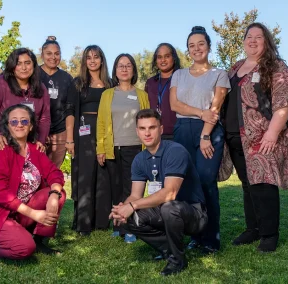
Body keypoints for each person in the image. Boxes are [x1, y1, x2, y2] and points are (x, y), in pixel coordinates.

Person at [221, 22, 288, 252]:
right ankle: (253, 228)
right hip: (236, 137)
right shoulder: (235, 68)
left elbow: (284, 104)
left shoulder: (276, 67)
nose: (252, 40)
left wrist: (271, 134)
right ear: (244, 41)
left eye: (258, 37)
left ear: (267, 41)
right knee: (248, 184)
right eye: (249, 37)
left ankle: (269, 235)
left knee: (264, 184)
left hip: (262, 137)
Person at [110, 109, 207, 276]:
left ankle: (178, 261)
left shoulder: (175, 151)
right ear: (137, 131)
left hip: (194, 214)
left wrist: (132, 205)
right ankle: (169, 250)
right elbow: (135, 195)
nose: (147, 133)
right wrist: (123, 208)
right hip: (165, 211)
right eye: (142, 128)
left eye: (152, 127)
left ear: (161, 129)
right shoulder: (140, 159)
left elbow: (170, 194)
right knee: (130, 217)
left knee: (169, 207)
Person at [0, 104, 66, 262]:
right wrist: (34, 214)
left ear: (31, 126)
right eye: (14, 122)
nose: (19, 125)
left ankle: (38, 239)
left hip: (20, 211)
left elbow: (54, 173)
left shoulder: (34, 150)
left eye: (24, 121)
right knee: (24, 249)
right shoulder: (1, 149)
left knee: (59, 193)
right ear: (7, 126)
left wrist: (54, 194)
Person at [170, 26, 230, 253]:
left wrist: (205, 134)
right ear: (188, 50)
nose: (196, 49)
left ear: (208, 46)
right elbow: (174, 105)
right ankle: (195, 234)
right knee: (187, 183)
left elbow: (215, 108)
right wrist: (199, 112)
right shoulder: (179, 74)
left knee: (206, 181)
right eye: (191, 45)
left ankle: (211, 239)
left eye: (200, 44)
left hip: (209, 130)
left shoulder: (219, 74)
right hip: (182, 129)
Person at [96, 53, 150, 243]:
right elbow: (101, 123)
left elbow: (148, 122)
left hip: (136, 148)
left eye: (128, 65)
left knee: (132, 189)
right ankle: (118, 227)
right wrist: (100, 148)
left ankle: (131, 228)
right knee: (116, 189)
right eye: (121, 66)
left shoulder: (142, 95)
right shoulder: (107, 95)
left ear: (133, 70)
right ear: (115, 70)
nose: (125, 69)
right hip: (113, 149)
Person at [65, 45, 113, 236]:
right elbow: (69, 111)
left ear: (102, 60)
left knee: (104, 176)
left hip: (106, 134)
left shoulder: (111, 83)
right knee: (85, 177)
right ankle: (83, 223)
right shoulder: (78, 83)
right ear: (85, 61)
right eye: (89, 57)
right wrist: (69, 139)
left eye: (96, 57)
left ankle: (101, 222)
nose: (92, 61)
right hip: (83, 134)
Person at [0, 48, 50, 152]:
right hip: (4, 143)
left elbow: (45, 119)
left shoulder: (41, 88)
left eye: (27, 63)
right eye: (18, 63)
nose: (23, 67)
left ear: (34, 65)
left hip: (32, 145)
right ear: (12, 66)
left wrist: (41, 141)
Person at [40, 36, 73, 168]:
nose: (53, 57)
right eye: (49, 53)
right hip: (38, 132)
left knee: (53, 171)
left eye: (57, 53)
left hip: (60, 132)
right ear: (42, 55)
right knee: (35, 171)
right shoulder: (34, 74)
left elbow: (71, 106)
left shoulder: (67, 78)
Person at [145, 43, 180, 140]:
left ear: (174, 58)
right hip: (155, 135)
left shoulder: (182, 78)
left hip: (178, 134)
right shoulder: (150, 82)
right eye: (159, 57)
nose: (163, 60)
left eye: (167, 56)